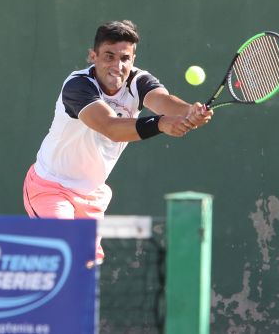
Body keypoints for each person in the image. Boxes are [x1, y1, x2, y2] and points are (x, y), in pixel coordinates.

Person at [22, 20, 213, 264]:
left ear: (133, 59)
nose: (117, 65)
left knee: (86, 267)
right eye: (109, 57)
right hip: (51, 187)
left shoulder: (138, 81)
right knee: (63, 255)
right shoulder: (77, 86)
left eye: (124, 58)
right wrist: (161, 124)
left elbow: (163, 101)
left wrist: (189, 111)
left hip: (91, 194)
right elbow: (111, 127)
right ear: (93, 56)